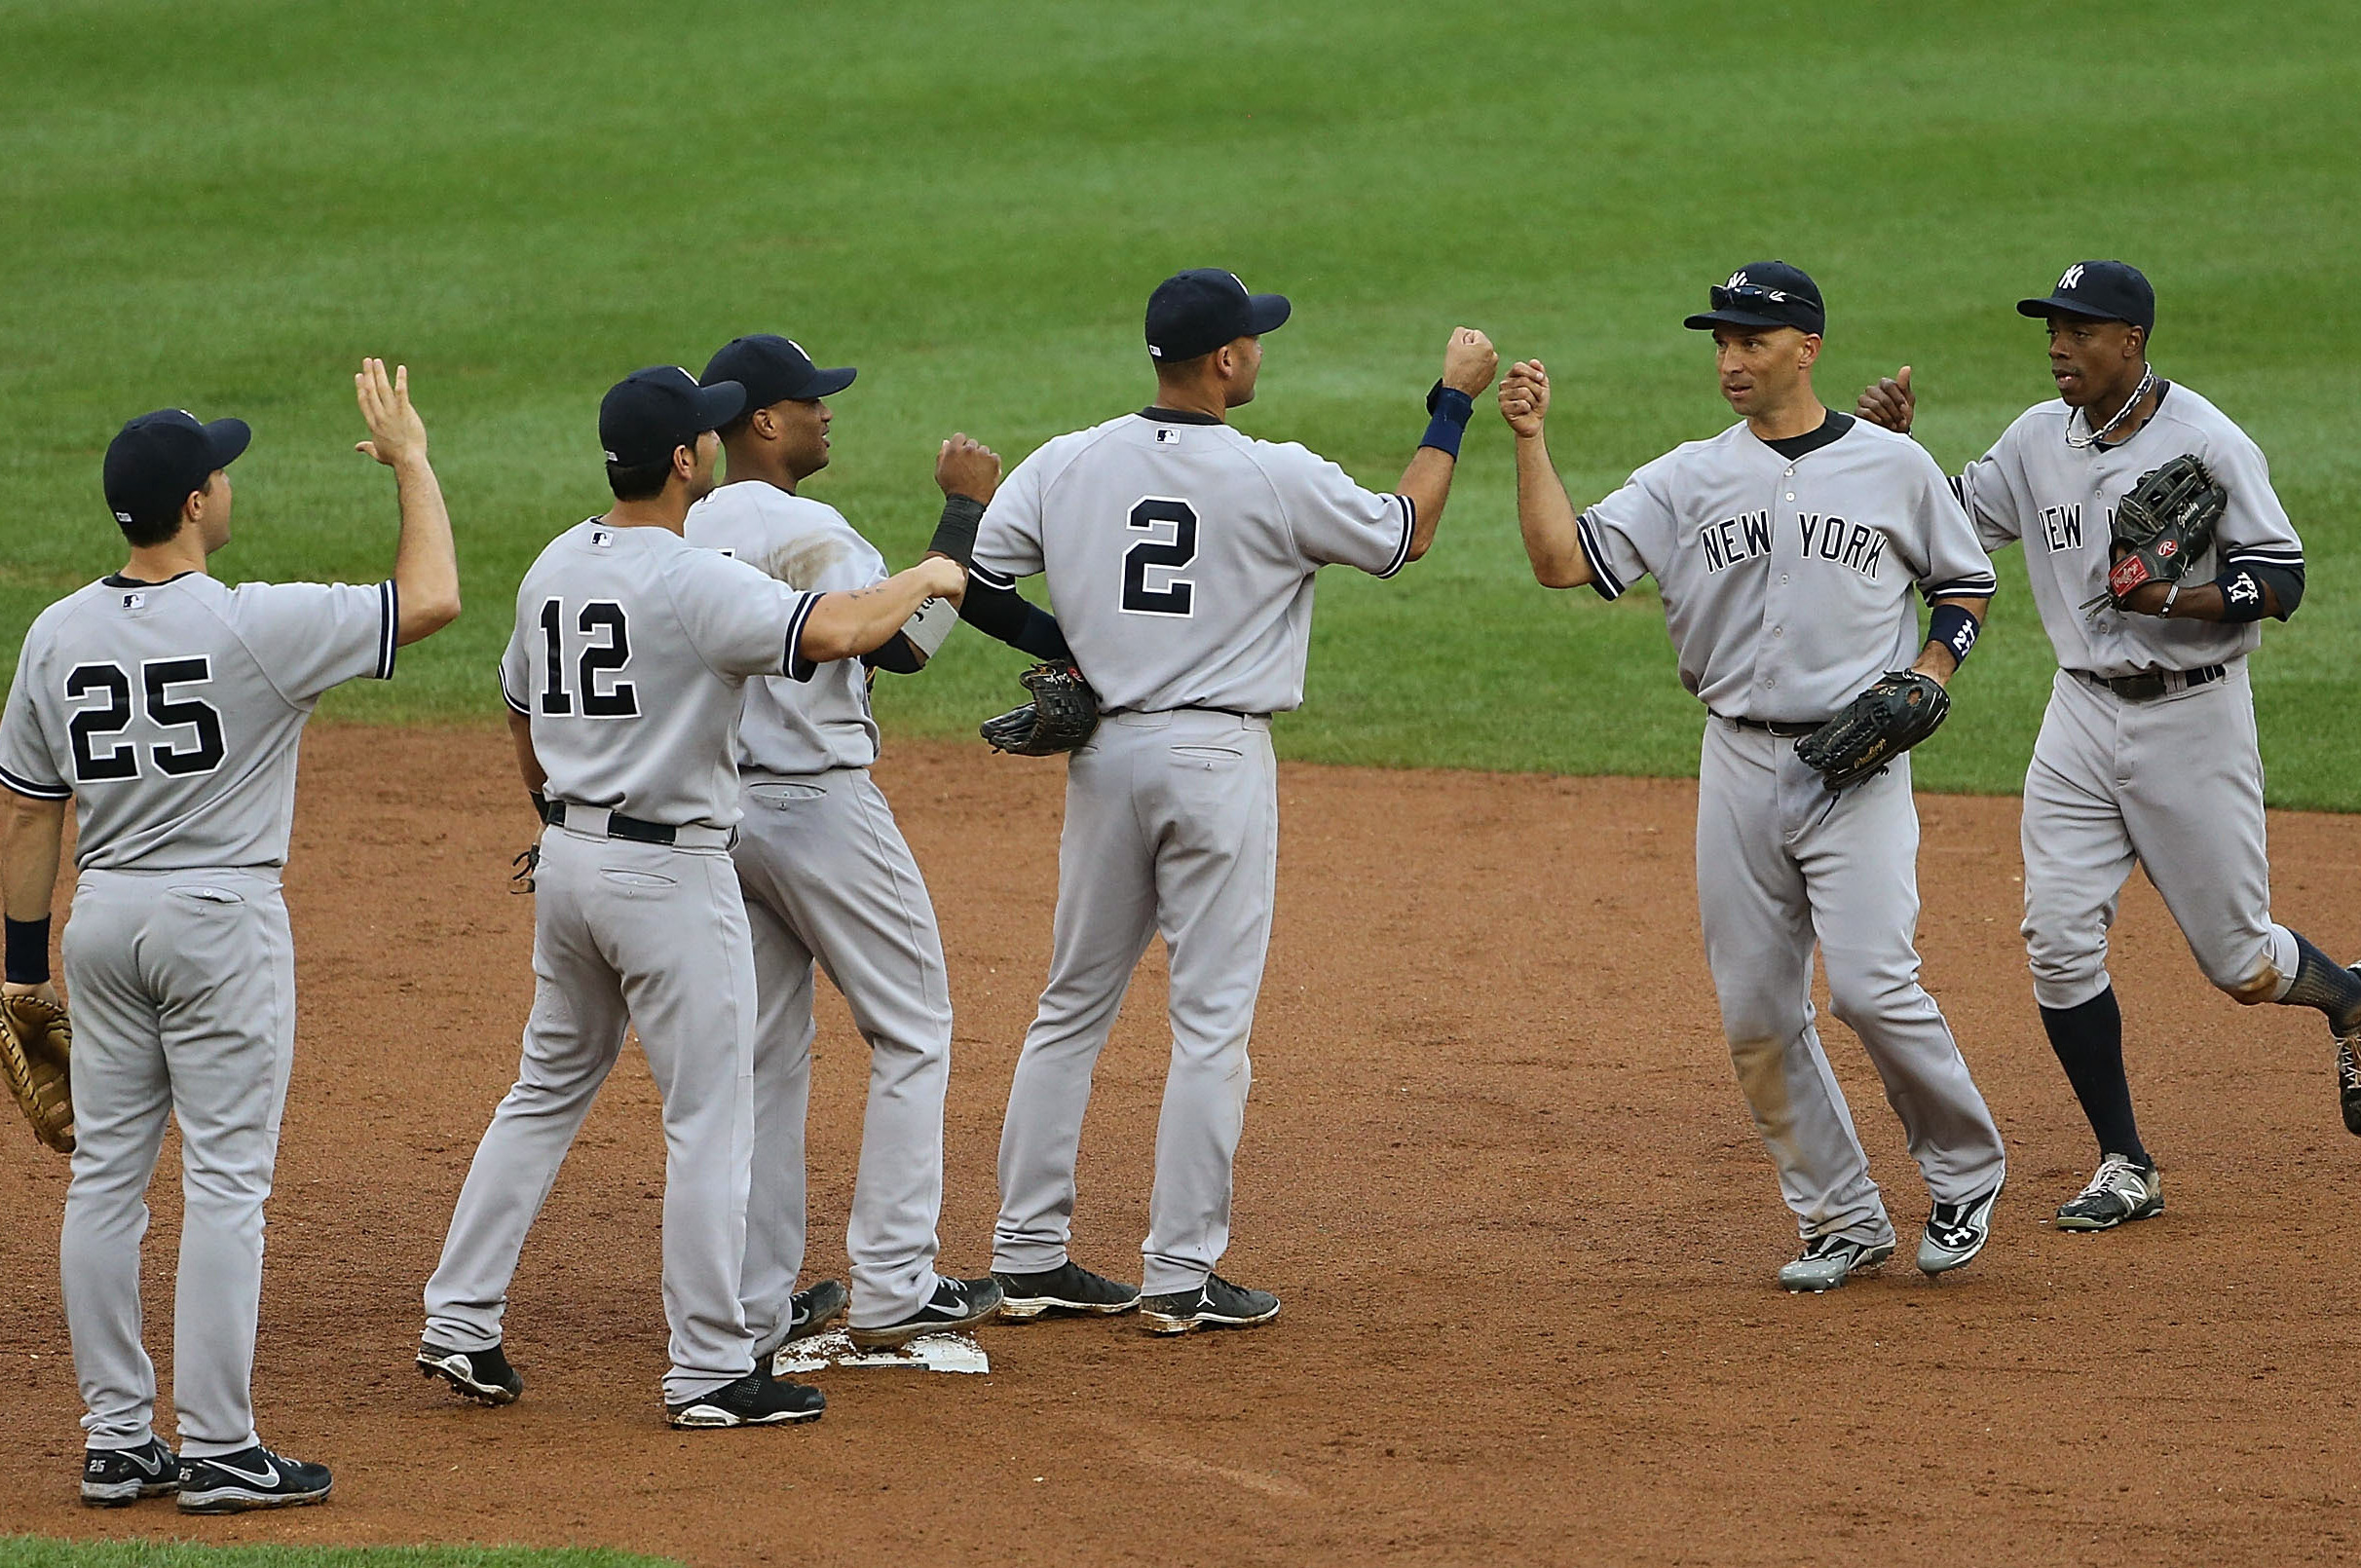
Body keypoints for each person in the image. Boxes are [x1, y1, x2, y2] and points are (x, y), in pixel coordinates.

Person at [415, 366, 965, 1427]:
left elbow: (521, 714)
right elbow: (844, 633)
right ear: (682, 458)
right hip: (668, 875)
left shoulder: (553, 564)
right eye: (703, 436)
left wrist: (556, 812)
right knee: (711, 1115)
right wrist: (933, 573)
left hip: (569, 863)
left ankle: (459, 1315)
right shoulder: (689, 577)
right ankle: (711, 1367)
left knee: (542, 1092)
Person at [979, 268, 1496, 1331]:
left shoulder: (1065, 460)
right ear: (1223, 361)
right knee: (1210, 1021)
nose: (1260, 351)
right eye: (1252, 340)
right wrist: (1453, 402)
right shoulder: (1274, 474)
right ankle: (1179, 1273)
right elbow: (1406, 532)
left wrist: (1071, 649)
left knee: (1071, 1002)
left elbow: (975, 579)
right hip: (1215, 761)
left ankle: (1026, 1255)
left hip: (1106, 755)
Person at [0, 363, 461, 1510]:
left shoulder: (55, 633)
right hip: (218, 921)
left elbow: (24, 807)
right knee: (226, 1182)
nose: (226, 480)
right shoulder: (258, 624)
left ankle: (116, 1438)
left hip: (101, 923)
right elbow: (433, 596)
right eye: (220, 470)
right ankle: (217, 1445)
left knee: (105, 1179)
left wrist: (18, 970)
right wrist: (410, 459)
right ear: (196, 505)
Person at [1501, 262, 2007, 1292]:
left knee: (1873, 984)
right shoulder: (1688, 475)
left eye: (1752, 342)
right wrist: (1529, 440)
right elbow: (1565, 561)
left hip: (1857, 762)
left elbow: (1965, 580)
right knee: (1756, 1012)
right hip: (1735, 758)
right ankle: (1840, 1216)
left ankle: (1964, 1172)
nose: (1731, 360)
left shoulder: (1892, 466)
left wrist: (1930, 669)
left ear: (1808, 348)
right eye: (1721, 342)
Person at [1855, 260, 2361, 1230]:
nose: (2058, 346)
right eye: (2052, 329)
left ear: (2131, 340)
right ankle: (2126, 1159)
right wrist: (1888, 451)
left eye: (2079, 330)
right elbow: (1946, 525)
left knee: (2241, 962)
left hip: (2193, 715)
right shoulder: (2036, 439)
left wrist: (2169, 595)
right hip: (2080, 713)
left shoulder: (2209, 442)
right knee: (2055, 939)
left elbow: (2282, 580)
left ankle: (2351, 998)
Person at [684, 333, 1069, 1352]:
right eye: (813, 401)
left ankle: (760, 1303)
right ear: (763, 420)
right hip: (818, 806)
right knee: (915, 1026)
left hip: (722, 815)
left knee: (766, 1059)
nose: (826, 413)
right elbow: (906, 643)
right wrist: (964, 510)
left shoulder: (683, 522)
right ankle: (897, 1280)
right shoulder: (804, 527)